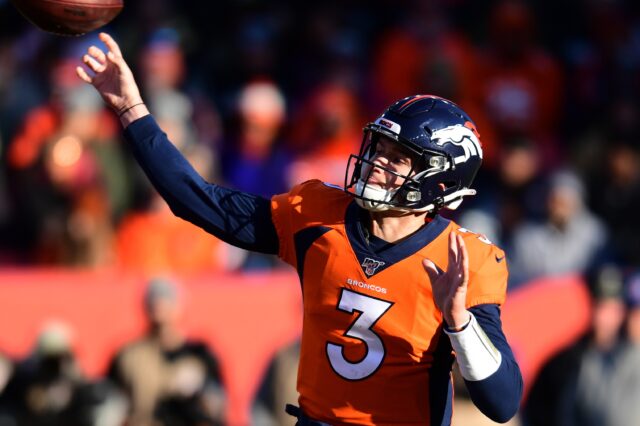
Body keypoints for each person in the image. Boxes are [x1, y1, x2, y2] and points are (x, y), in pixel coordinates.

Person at [77, 32, 522, 425]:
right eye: (378, 148)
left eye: (398, 157)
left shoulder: (466, 261)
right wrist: (132, 111)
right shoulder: (318, 214)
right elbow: (198, 201)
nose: (377, 163)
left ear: (439, 180)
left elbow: (501, 403)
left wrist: (459, 322)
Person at [106, 278, 226, 426]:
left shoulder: (200, 355)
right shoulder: (129, 356)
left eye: (167, 301)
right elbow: (109, 404)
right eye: (155, 302)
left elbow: (217, 406)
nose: (160, 307)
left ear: (179, 306)